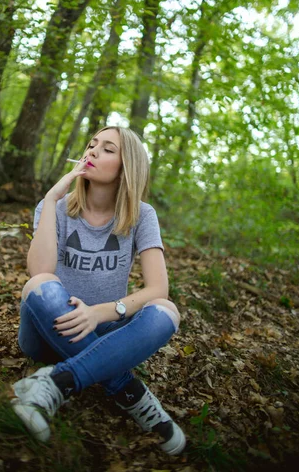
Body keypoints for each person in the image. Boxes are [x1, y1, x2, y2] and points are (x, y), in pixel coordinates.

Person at [12, 126, 186, 455]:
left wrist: (100, 312)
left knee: (166, 311)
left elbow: (159, 287)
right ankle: (129, 390)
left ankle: (57, 382)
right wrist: (51, 199)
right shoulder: (57, 207)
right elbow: (39, 272)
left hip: (104, 328)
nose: (91, 152)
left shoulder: (142, 215)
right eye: (91, 145)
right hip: (50, 328)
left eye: (107, 149)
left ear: (127, 166)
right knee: (39, 284)